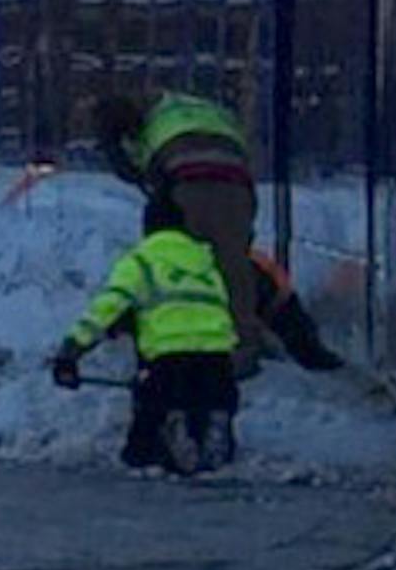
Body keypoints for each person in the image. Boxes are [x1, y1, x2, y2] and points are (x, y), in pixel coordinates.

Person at [52, 190, 238, 476]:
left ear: (148, 228)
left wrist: (70, 352)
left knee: (141, 449)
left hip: (170, 363)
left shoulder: (141, 260)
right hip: (218, 360)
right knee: (212, 440)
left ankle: (167, 435)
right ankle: (210, 434)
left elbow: (107, 308)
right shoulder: (205, 264)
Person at [96, 91, 263, 367]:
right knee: (234, 264)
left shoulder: (146, 133)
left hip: (188, 185)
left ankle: (180, 336)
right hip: (237, 182)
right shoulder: (194, 108)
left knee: (174, 261)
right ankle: (243, 344)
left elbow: (135, 172)